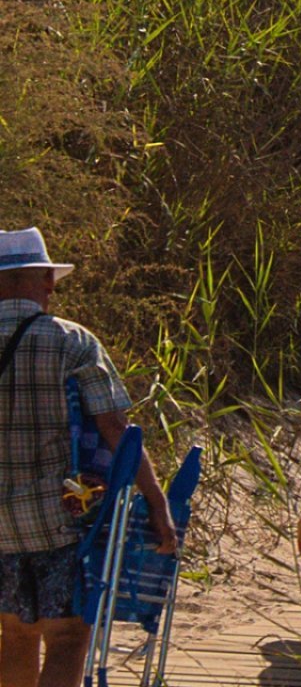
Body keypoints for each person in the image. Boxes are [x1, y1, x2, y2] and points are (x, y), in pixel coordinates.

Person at [1, 227, 177, 687]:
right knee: (67, 637)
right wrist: (157, 504)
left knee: (15, 637)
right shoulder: (73, 342)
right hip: (59, 518)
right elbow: (116, 430)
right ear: (47, 283)